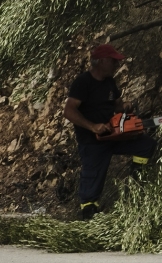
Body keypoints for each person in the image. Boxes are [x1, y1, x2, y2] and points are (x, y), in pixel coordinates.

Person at [64, 43, 156, 220]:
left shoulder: (109, 83)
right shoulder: (83, 82)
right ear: (102, 61)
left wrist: (125, 106)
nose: (116, 65)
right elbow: (69, 111)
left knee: (146, 145)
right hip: (93, 141)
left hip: (113, 135)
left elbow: (117, 105)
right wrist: (92, 126)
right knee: (91, 189)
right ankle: (89, 217)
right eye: (113, 61)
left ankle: (134, 188)